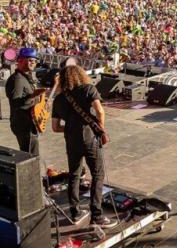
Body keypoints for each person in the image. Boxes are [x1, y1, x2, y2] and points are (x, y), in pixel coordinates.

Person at [51, 64, 114, 227]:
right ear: (81, 75)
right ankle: (97, 215)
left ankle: (75, 212)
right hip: (89, 138)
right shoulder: (88, 89)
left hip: (71, 139)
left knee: (74, 174)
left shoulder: (58, 99)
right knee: (97, 174)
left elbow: (55, 127)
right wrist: (100, 128)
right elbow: (100, 111)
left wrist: (72, 127)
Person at [4, 47, 46, 155]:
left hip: (29, 122)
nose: (34, 63)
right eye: (31, 60)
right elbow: (16, 103)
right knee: (30, 157)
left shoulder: (25, 77)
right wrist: (34, 96)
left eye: (35, 60)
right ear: (20, 61)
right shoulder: (17, 79)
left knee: (31, 154)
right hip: (23, 124)